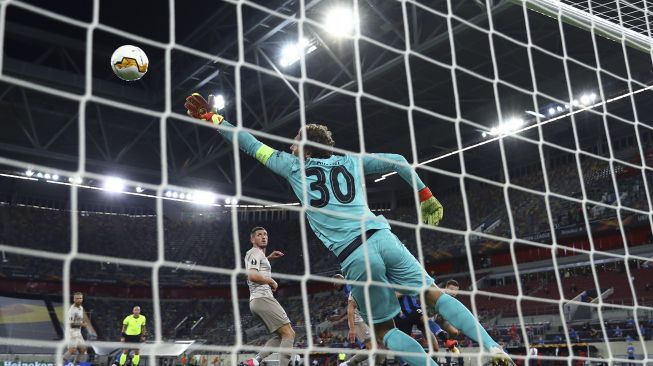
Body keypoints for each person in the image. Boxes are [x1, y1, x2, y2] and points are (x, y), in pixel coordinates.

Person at [184, 94, 512, 366]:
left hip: (355, 256)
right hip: (384, 238)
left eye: (296, 141)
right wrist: (425, 195)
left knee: (384, 331)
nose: (292, 145)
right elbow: (398, 159)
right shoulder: (350, 162)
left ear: (307, 150)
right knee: (433, 293)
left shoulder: (293, 166)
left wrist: (216, 119)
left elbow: (249, 143)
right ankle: (491, 347)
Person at [244, 227, 294, 366]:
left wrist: (268, 258)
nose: (263, 236)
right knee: (289, 334)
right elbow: (252, 275)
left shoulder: (258, 255)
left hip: (257, 301)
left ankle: (255, 361)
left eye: (265, 234)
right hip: (263, 298)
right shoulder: (254, 252)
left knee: (280, 336)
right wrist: (270, 280)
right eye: (259, 235)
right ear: (252, 239)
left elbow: (257, 267)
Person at [332, 274, 384, 366]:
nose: (334, 285)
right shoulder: (347, 288)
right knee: (374, 348)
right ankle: (348, 364)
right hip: (359, 320)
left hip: (361, 319)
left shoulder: (348, 286)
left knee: (377, 347)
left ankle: (347, 364)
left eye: (335, 282)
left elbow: (352, 306)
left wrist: (350, 326)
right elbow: (351, 306)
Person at [63, 292, 88, 364]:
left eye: (80, 298)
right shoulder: (72, 310)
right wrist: (82, 324)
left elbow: (79, 319)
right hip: (71, 332)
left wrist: (83, 322)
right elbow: (71, 324)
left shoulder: (81, 308)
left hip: (78, 332)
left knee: (83, 349)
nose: (79, 300)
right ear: (74, 299)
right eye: (77, 298)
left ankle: (75, 364)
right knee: (72, 350)